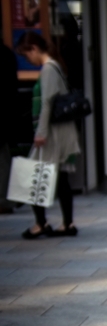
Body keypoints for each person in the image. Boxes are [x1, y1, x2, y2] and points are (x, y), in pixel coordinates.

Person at [14, 32, 80, 239]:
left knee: (33, 175)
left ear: (34, 48)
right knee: (59, 178)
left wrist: (40, 133)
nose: (28, 60)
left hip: (52, 134)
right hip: (58, 132)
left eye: (27, 55)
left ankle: (41, 223)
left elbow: (47, 103)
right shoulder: (54, 67)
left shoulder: (49, 69)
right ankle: (65, 224)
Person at [0, 42, 20, 215]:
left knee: (3, 160)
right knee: (4, 158)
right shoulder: (7, 54)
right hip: (6, 115)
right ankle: (5, 200)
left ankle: (4, 200)